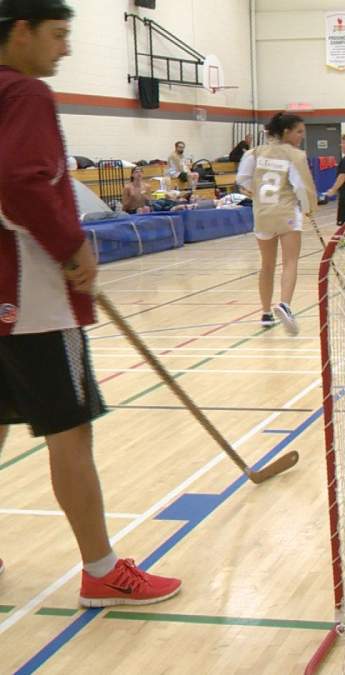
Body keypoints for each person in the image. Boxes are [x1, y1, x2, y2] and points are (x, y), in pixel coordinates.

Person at [0, 0, 181, 603]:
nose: (66, 49)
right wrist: (73, 245)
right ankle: (102, 572)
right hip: (32, 301)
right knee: (70, 432)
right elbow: (21, 183)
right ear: (20, 31)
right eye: (56, 35)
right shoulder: (24, 94)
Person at [236, 111, 318, 334]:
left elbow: (242, 180)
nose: (301, 136)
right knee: (290, 261)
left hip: (262, 214)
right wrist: (309, 207)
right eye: (299, 132)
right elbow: (300, 186)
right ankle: (284, 304)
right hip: (287, 213)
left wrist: (257, 194)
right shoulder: (295, 155)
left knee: (267, 265)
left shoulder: (253, 153)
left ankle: (265, 312)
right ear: (286, 132)